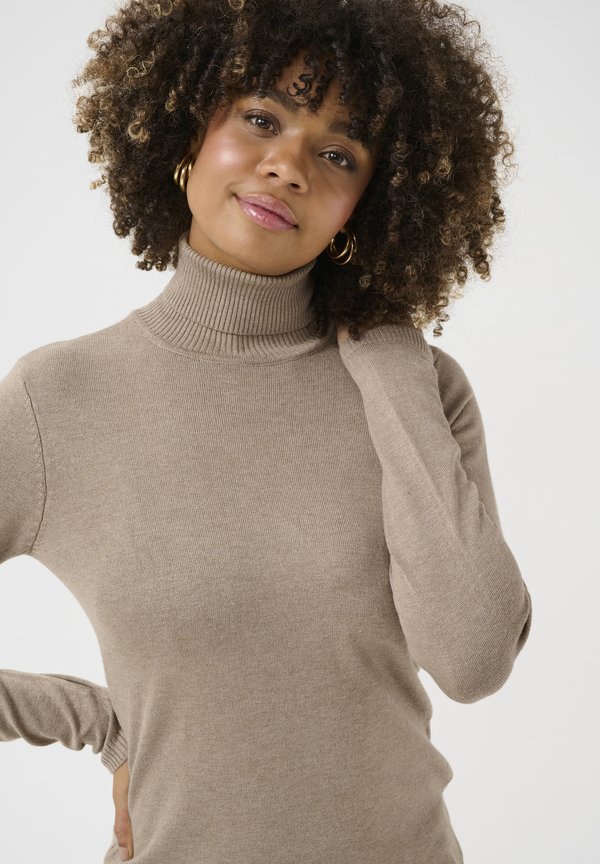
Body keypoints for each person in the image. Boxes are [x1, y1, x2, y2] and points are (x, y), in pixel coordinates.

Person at [0, 0, 533, 861]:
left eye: (338, 153)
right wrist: (97, 721)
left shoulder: (422, 390)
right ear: (188, 129)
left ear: (371, 203)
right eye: (260, 118)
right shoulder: (57, 398)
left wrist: (391, 360)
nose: (287, 166)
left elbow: (473, 660)